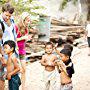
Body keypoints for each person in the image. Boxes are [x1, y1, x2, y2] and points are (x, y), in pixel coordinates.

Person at [15, 12, 32, 90]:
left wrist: (26, 39)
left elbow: (23, 41)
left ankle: (23, 87)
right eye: (27, 20)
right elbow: (13, 40)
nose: (29, 22)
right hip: (15, 51)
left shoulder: (26, 29)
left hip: (22, 51)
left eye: (29, 21)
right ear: (23, 20)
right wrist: (23, 38)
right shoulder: (16, 27)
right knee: (17, 70)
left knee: (24, 69)